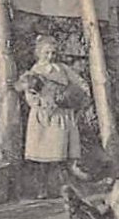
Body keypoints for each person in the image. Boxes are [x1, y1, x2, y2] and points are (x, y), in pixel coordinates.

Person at [15, 35, 88, 199]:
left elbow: (80, 82)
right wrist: (40, 102)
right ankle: (42, 188)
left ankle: (65, 187)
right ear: (39, 52)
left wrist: (76, 97)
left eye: (53, 53)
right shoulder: (35, 71)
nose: (50, 56)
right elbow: (29, 93)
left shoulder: (62, 68)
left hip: (61, 115)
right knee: (42, 155)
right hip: (43, 118)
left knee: (61, 153)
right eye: (46, 53)